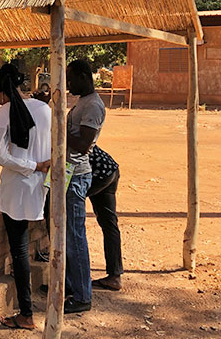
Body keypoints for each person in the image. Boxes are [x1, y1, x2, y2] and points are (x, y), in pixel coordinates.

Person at [0, 64, 51, 330]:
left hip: (16, 189)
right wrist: (39, 167)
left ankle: (26, 314)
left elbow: (2, 157)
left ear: (0, 92)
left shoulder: (2, 112)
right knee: (35, 245)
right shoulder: (44, 108)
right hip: (42, 187)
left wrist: (32, 166)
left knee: (19, 251)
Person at [62, 59, 106, 314]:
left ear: (82, 76)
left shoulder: (93, 105)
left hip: (76, 174)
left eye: (71, 78)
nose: (68, 84)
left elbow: (82, 144)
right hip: (67, 172)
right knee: (66, 232)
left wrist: (57, 125)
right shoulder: (83, 103)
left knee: (76, 236)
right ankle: (69, 285)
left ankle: (82, 296)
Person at [87, 145, 123, 291]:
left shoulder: (60, 136)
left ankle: (76, 277)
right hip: (110, 169)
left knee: (72, 220)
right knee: (109, 224)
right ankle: (115, 276)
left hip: (99, 174)